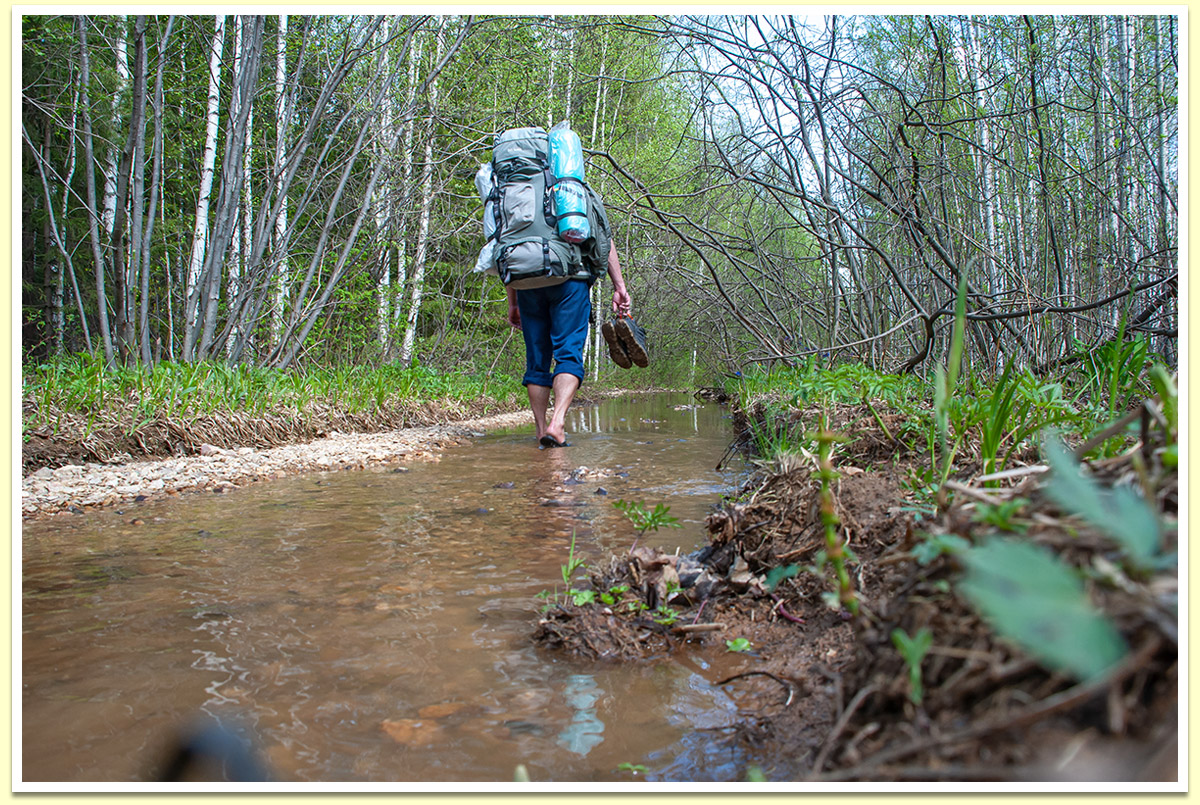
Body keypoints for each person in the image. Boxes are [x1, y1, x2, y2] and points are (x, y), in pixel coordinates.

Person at [507, 243, 631, 448]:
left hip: (526, 280)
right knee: (568, 354)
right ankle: (556, 424)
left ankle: (540, 431)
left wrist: (513, 302)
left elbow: (506, 246)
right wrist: (619, 287)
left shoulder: (512, 207)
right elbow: (604, 239)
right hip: (571, 277)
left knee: (537, 361)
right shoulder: (577, 207)